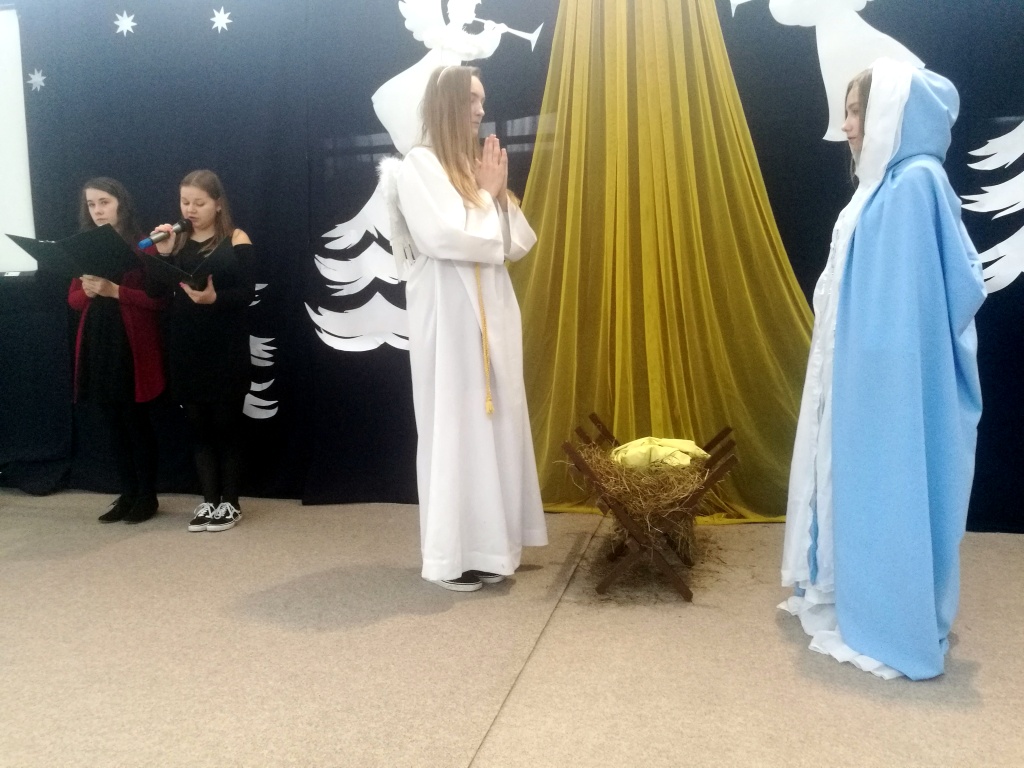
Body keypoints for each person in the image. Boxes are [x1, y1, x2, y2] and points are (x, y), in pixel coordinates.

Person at [780, 59, 986, 679]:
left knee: (893, 483)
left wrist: (880, 380)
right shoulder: (882, 188)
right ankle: (851, 591)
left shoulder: (915, 184)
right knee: (859, 484)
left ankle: (893, 618)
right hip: (864, 377)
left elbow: (915, 305)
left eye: (856, 112)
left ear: (890, 113)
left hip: (891, 384)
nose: (845, 126)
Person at [394, 65, 548, 592]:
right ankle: (451, 556)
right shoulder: (419, 164)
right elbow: (443, 237)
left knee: (495, 424)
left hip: (491, 312)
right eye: (472, 100)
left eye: (483, 99)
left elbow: (514, 243)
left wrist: (495, 194)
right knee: (455, 426)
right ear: (447, 104)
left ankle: (491, 547)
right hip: (450, 316)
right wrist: (487, 195)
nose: (482, 109)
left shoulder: (469, 164)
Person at [151, 170, 253, 532]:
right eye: (185, 202)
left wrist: (214, 299)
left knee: (226, 426)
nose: (190, 210)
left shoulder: (236, 238)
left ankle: (231, 503)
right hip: (186, 346)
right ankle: (209, 500)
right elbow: (157, 293)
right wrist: (163, 254)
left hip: (225, 347)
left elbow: (247, 293)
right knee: (198, 428)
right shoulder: (176, 242)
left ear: (218, 204)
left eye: (199, 202)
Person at [68, 177, 167, 524]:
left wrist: (115, 291)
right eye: (91, 204)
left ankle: (147, 496)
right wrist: (88, 292)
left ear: (120, 204)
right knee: (112, 424)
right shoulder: (85, 246)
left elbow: (159, 300)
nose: (97, 210)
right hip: (98, 341)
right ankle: (127, 494)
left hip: (130, 345)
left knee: (135, 422)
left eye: (104, 202)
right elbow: (73, 300)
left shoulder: (143, 246)